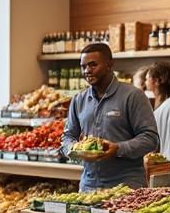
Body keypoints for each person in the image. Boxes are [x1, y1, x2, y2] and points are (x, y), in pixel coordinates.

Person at [61, 43, 159, 191]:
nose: (87, 70)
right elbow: (68, 136)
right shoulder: (78, 100)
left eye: (93, 65)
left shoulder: (133, 96)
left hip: (126, 185)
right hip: (89, 186)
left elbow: (151, 139)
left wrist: (118, 149)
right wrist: (73, 148)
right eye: (83, 66)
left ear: (109, 65)